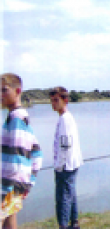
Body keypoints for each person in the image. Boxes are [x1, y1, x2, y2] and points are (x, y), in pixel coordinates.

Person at [0, 73, 43, 229]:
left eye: (4, 90)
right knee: (10, 224)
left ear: (17, 91)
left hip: (9, 185)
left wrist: (20, 184)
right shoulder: (17, 117)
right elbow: (37, 153)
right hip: (14, 185)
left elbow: (16, 158)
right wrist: (28, 183)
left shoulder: (17, 118)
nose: (0, 95)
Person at [50, 87, 83, 229]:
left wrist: (60, 165)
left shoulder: (64, 119)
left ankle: (63, 226)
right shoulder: (67, 117)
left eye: (56, 100)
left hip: (66, 165)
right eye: (51, 101)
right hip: (72, 163)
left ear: (65, 100)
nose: (53, 104)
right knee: (71, 194)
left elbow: (65, 145)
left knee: (63, 198)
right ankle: (74, 223)